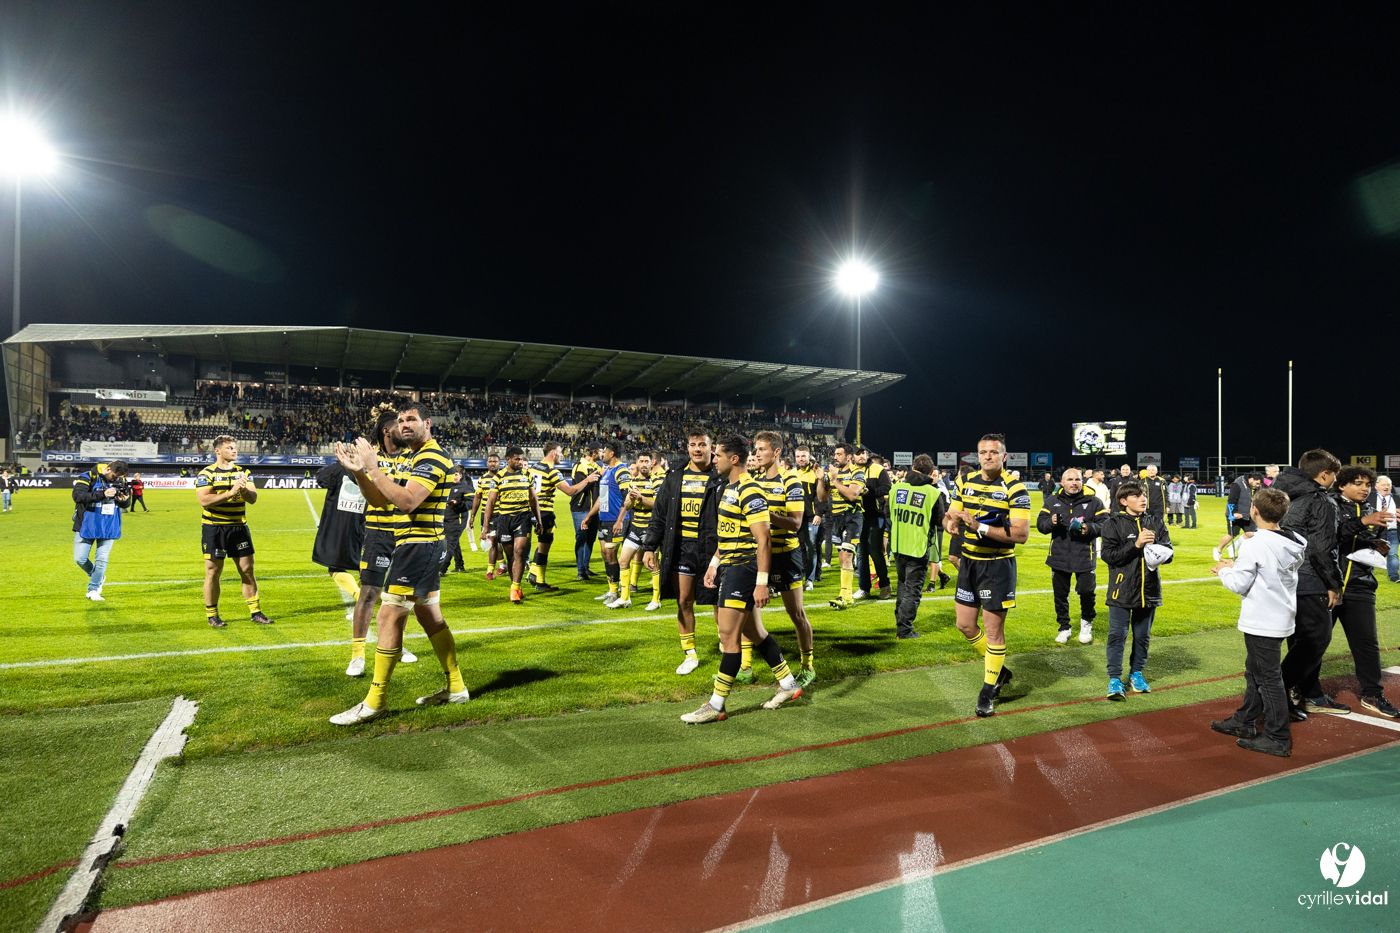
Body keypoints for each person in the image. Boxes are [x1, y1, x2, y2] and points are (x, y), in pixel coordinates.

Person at [330, 401, 468, 725]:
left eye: (412, 419)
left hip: (420, 545)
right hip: (417, 545)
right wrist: (361, 473)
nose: (404, 424)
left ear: (427, 423)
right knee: (429, 615)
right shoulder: (412, 457)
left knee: (389, 616)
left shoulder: (432, 456)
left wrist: (374, 467)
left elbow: (407, 502)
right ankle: (457, 687)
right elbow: (381, 499)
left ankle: (375, 702)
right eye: (402, 420)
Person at [680, 434, 803, 723]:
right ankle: (788, 684)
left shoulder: (750, 490)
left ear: (734, 459)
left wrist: (761, 582)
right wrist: (714, 563)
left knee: (728, 637)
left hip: (743, 570)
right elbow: (729, 531)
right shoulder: (730, 487)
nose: (713, 459)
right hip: (731, 567)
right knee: (755, 633)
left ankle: (716, 704)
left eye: (718, 455)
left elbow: (764, 539)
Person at [1209, 487, 1306, 756]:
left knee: (1268, 678)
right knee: (1255, 671)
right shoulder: (1294, 539)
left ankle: (1277, 736)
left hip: (1262, 618)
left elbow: (1239, 584)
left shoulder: (1255, 544)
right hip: (1281, 614)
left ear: (1254, 511)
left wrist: (1224, 570)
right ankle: (1244, 720)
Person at [943, 434, 1030, 717]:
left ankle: (987, 690)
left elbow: (1021, 534)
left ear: (1004, 456)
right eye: (983, 452)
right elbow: (953, 514)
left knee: (993, 631)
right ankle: (1000, 672)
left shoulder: (1016, 489)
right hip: (969, 562)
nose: (987, 457)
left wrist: (978, 527)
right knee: (965, 625)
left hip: (997, 566)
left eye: (993, 452)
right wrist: (950, 523)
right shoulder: (965, 481)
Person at [642, 430, 722, 675]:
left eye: (702, 445)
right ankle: (690, 654)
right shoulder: (676, 475)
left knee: (720, 602)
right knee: (684, 600)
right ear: (687, 448)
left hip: (713, 548)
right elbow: (660, 513)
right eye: (693, 445)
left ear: (711, 448)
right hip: (682, 548)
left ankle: (726, 642)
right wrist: (649, 546)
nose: (697, 449)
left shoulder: (721, 476)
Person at [1325, 465, 1399, 718]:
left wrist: (1381, 547)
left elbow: (1376, 543)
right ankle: (1302, 689)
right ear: (1341, 485)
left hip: (1360, 584)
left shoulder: (1373, 511)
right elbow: (1327, 539)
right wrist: (1362, 522)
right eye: (1358, 483)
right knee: (1315, 643)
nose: (1365, 489)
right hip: (1328, 585)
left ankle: (1373, 694)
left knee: (1367, 643)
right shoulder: (1328, 505)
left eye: (1368, 485)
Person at [1276, 449, 1343, 721]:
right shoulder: (1321, 500)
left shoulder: (1280, 493)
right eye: (1333, 475)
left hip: (1282, 577)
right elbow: (1321, 548)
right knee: (1317, 637)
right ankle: (1274, 693)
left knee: (1296, 638)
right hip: (1309, 578)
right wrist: (1333, 583)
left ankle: (1281, 695)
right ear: (1324, 473)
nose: (1335, 481)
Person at [750, 431, 815, 686]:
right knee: (747, 611)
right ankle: (744, 666)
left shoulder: (791, 481)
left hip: (787, 555)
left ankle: (807, 666)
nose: (757, 454)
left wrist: (767, 514)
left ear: (776, 452)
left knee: (796, 614)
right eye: (756, 449)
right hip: (758, 554)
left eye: (762, 449)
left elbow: (796, 523)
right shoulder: (753, 481)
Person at [1100, 480, 1172, 700]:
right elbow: (1109, 556)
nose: (1143, 499)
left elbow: (1169, 552)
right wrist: (1137, 545)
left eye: (1143, 495)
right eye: (1137, 496)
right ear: (1123, 501)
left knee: (1142, 636)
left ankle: (1136, 674)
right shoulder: (1112, 523)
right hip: (1121, 589)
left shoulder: (1156, 522)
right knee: (1117, 635)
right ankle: (1114, 679)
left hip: (1149, 589)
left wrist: (1157, 552)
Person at [196, 436, 273, 627]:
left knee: (247, 570)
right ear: (218, 451)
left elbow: (253, 498)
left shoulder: (243, 472)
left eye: (235, 448)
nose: (234, 451)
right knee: (213, 572)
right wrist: (230, 493)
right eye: (230, 448)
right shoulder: (206, 473)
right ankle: (212, 615)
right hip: (215, 528)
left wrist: (243, 489)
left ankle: (256, 612)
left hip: (239, 527)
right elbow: (204, 500)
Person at [1037, 467, 1106, 645]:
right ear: (1062, 482)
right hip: (1059, 557)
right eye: (1070, 480)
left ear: (1082, 482)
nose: (1074, 483)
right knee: (1060, 595)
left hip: (1084, 555)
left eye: (1077, 480)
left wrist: (1088, 528)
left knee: (1086, 592)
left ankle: (1086, 623)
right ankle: (1064, 627)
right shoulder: (1052, 501)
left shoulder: (1094, 502)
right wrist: (1050, 522)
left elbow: (1105, 525)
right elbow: (1040, 526)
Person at [528, 441, 598, 592]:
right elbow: (570, 491)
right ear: (553, 453)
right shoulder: (552, 472)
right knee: (544, 546)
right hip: (544, 512)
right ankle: (538, 579)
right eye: (560, 452)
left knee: (542, 542)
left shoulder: (534, 467)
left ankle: (535, 574)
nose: (562, 455)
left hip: (531, 510)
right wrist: (587, 479)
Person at [890, 454, 947, 639]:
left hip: (898, 546)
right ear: (931, 472)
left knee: (902, 585)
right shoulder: (933, 493)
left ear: (913, 468)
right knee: (912, 591)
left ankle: (900, 622)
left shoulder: (896, 488)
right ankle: (904, 630)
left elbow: (888, 514)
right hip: (917, 547)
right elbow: (940, 522)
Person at [480, 445, 545, 604]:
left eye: (522, 459)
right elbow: (491, 502)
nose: (520, 462)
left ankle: (514, 589)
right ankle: (516, 585)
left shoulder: (527, 475)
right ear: (508, 460)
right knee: (510, 556)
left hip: (523, 518)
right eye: (517, 459)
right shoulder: (499, 478)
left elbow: (533, 499)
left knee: (519, 551)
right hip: (505, 520)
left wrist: (539, 520)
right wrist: (486, 526)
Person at [314, 456, 368, 622]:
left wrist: (340, 462)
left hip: (338, 526)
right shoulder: (375, 470)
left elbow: (320, 477)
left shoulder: (340, 469)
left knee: (334, 567)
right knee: (364, 569)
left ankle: (361, 598)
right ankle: (363, 603)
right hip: (365, 525)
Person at [581, 440, 632, 607]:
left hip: (616, 520)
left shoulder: (621, 470)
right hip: (604, 518)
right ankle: (611, 589)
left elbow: (628, 498)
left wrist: (619, 521)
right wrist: (589, 515)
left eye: (605, 451)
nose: (603, 453)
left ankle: (615, 590)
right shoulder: (608, 470)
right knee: (605, 553)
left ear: (612, 453)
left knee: (611, 554)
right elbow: (602, 498)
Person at [72, 460, 130, 601]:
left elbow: (125, 502)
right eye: (115, 476)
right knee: (80, 559)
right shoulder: (87, 477)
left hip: (108, 525)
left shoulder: (121, 480)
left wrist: (124, 500)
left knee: (102, 559)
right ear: (108, 469)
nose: (117, 480)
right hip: (87, 523)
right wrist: (103, 494)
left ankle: (93, 589)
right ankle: (98, 575)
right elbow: (78, 497)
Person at [820, 443, 867, 609]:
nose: (835, 457)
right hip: (836, 518)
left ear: (848, 457)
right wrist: (821, 480)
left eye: (839, 454)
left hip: (852, 516)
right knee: (841, 557)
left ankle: (844, 595)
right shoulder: (833, 472)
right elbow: (821, 497)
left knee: (847, 556)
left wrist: (834, 480)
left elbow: (853, 495)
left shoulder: (857, 472)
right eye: (835, 454)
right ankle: (846, 595)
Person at [611, 450, 657, 610]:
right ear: (637, 463)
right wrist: (630, 499)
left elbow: (659, 505)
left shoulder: (657, 481)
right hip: (635, 527)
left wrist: (641, 499)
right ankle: (625, 598)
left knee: (653, 564)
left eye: (646, 461)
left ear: (652, 463)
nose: (643, 464)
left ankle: (656, 600)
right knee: (623, 560)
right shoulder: (633, 482)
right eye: (641, 461)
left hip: (651, 529)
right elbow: (627, 505)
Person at [854, 448, 892, 600]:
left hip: (875, 516)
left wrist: (870, 491)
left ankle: (884, 585)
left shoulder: (877, 469)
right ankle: (864, 588)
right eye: (858, 454)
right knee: (861, 553)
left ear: (867, 455)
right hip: (857, 517)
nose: (861, 456)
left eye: (863, 453)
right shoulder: (851, 471)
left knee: (875, 551)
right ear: (853, 457)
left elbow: (887, 487)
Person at [570, 446, 602, 581]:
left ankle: (586, 567)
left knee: (591, 539)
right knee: (581, 537)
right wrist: (592, 478)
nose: (602, 453)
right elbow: (580, 487)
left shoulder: (597, 467)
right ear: (594, 452)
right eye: (600, 451)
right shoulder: (579, 466)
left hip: (594, 508)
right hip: (580, 507)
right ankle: (580, 571)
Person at [469, 453, 503, 579]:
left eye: (495, 461)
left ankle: (497, 568)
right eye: (490, 461)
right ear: (487, 463)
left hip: (501, 514)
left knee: (499, 541)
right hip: (487, 515)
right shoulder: (482, 479)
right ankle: (495, 568)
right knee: (492, 543)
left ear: (500, 463)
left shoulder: (503, 477)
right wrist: (472, 515)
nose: (492, 463)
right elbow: (477, 498)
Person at [1216, 473, 1263, 560]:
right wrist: (1232, 513)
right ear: (1251, 479)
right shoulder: (1237, 484)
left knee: (1251, 534)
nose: (1258, 486)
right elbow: (1231, 500)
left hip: (1248, 514)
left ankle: (1233, 547)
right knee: (1232, 535)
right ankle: (1218, 550)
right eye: (1257, 483)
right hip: (1237, 514)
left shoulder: (1256, 487)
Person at [793, 445, 820, 592]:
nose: (801, 459)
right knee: (796, 548)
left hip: (810, 517)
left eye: (803, 456)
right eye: (798, 456)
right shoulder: (791, 473)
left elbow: (821, 496)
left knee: (811, 549)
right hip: (794, 518)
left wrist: (819, 514)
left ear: (809, 456)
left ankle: (810, 579)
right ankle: (797, 576)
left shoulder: (815, 473)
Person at [442, 466, 470, 574]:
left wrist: (457, 504)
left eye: (456, 474)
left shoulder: (464, 488)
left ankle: (442, 570)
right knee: (454, 543)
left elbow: (469, 504)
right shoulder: (447, 487)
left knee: (449, 544)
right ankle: (459, 565)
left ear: (460, 476)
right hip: (446, 519)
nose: (454, 476)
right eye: (452, 474)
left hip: (457, 520)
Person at [1373, 475, 1399, 584]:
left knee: (1393, 554)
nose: (1386, 487)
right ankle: (1366, 574)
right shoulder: (1369, 498)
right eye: (1383, 484)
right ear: (1376, 486)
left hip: (1393, 531)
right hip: (1376, 531)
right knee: (1372, 553)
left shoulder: (1397, 498)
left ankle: (1394, 576)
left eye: (1388, 485)